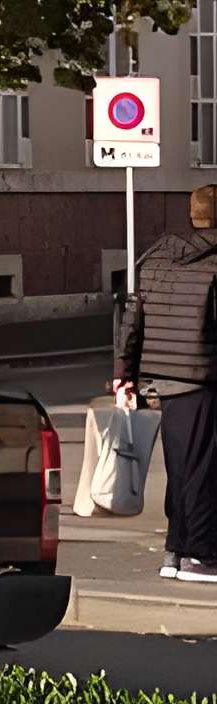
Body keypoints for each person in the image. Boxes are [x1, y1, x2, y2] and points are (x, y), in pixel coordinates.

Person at [116, 184, 217, 581]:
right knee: (203, 471)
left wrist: (124, 373)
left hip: (164, 379)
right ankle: (201, 555)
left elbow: (132, 317)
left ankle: (175, 551)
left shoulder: (158, 255)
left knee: (182, 468)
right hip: (202, 376)